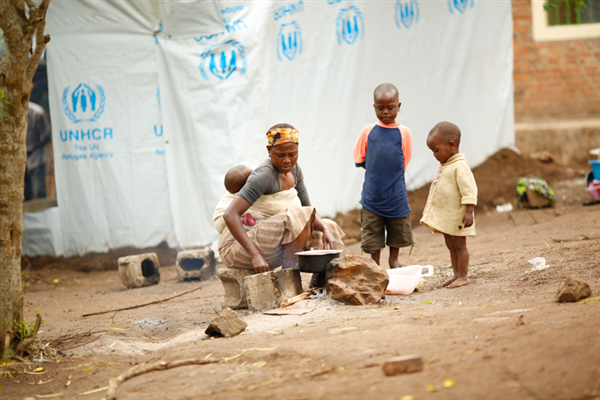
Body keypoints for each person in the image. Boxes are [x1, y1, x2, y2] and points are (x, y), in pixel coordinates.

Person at [218, 123, 345, 281]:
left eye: (292, 154)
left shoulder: (294, 169)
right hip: (236, 248)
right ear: (269, 150)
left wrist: (325, 228)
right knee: (298, 215)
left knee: (328, 227)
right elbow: (230, 214)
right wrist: (255, 255)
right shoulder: (264, 175)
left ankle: (320, 283)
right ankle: (288, 280)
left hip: (268, 241)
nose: (287, 160)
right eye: (280, 155)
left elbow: (307, 206)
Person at [352, 83, 414, 269]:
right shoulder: (368, 131)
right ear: (374, 107)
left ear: (398, 106)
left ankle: (393, 260)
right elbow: (360, 157)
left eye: (391, 107)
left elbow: (405, 159)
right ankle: (375, 264)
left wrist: (390, 174)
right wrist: (376, 171)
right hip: (373, 196)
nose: (386, 112)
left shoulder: (404, 132)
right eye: (380, 108)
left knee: (398, 228)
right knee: (372, 230)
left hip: (396, 195)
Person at [420, 121, 477, 289]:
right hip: (448, 217)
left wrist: (469, 211)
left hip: (459, 217)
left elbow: (469, 190)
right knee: (451, 246)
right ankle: (456, 274)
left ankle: (463, 276)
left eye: (436, 150)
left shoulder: (460, 166)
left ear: (451, 145)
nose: (434, 155)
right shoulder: (446, 165)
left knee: (460, 246)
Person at [213, 165, 255, 234]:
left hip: (220, 223)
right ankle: (245, 222)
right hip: (233, 223)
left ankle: (245, 221)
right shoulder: (246, 194)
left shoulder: (227, 197)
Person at [24, 101, 51, 200]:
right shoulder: (12, 113)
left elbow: (47, 136)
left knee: (39, 192)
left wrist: (31, 148)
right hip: (21, 162)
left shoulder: (37, 113)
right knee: (24, 195)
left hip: (37, 159)